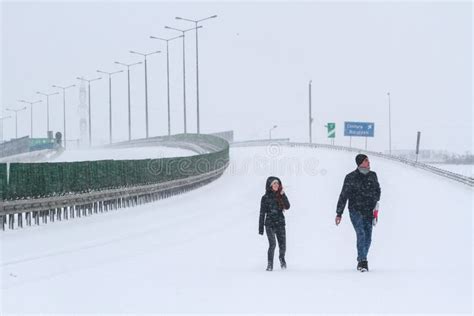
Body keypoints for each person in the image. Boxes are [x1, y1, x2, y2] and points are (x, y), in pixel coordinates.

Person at [335, 154, 381, 272]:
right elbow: (344, 195)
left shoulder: (373, 175)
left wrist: (374, 199)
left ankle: (361, 258)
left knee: (368, 238)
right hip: (355, 210)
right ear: (360, 162)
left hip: (368, 210)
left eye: (368, 160)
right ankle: (363, 261)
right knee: (361, 233)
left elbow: (378, 190)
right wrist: (339, 213)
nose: (369, 162)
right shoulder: (350, 177)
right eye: (366, 161)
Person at [259, 176, 291, 271]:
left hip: (280, 223)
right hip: (269, 224)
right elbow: (262, 213)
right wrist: (260, 228)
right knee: (272, 244)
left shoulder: (281, 195)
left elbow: (288, 206)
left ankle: (282, 258)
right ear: (270, 185)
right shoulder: (264, 198)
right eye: (274, 183)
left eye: (277, 183)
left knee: (283, 246)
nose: (276, 185)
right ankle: (270, 265)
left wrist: (283, 195)